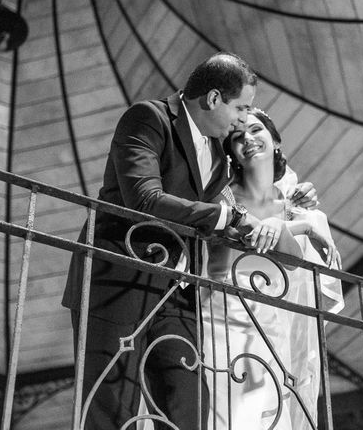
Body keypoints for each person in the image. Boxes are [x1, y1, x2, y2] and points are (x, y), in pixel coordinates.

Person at [61, 52, 317, 430]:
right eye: (242, 107)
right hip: (116, 282)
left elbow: (238, 198)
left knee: (190, 407)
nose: (244, 118)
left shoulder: (219, 150)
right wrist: (226, 217)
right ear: (213, 99)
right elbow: (144, 199)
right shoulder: (148, 118)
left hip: (177, 295)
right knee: (113, 407)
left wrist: (278, 211)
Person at [201, 108, 344, 430]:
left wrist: (289, 226)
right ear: (232, 153)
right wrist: (296, 229)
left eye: (255, 130)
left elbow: (302, 270)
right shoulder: (219, 200)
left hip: (278, 327)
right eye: (237, 137)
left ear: (275, 139)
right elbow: (216, 259)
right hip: (225, 320)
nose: (248, 139)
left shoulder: (302, 211)